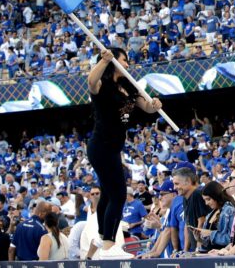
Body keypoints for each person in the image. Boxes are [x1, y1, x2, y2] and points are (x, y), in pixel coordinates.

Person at [86, 48, 162, 258]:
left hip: (114, 147)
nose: (128, 64)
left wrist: (154, 105)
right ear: (114, 62)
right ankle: (109, 245)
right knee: (118, 194)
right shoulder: (103, 84)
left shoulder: (128, 85)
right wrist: (103, 61)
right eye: (124, 60)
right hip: (101, 146)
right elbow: (91, 82)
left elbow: (146, 107)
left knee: (109, 193)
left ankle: (102, 237)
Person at [173, 166, 209, 253]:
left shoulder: (197, 193)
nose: (174, 188)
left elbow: (202, 220)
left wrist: (198, 248)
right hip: (195, 248)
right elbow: (187, 225)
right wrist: (185, 250)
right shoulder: (185, 197)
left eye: (177, 184)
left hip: (205, 248)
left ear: (188, 181)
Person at [195, 181, 235, 252]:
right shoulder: (210, 214)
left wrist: (210, 233)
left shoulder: (229, 211)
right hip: (209, 255)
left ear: (216, 196)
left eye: (208, 199)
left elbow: (232, 239)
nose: (206, 203)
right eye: (204, 200)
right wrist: (199, 239)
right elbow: (210, 243)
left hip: (222, 256)